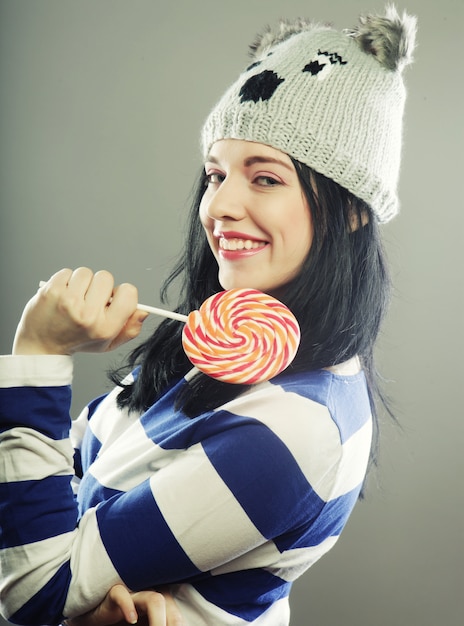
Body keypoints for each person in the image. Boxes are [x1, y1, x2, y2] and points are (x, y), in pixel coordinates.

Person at [0, 6, 416, 626]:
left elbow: (31, 593)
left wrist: (37, 356)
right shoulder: (228, 342)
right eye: (216, 173)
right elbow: (64, 479)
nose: (217, 204)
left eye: (266, 178)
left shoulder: (296, 431)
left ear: (353, 210)